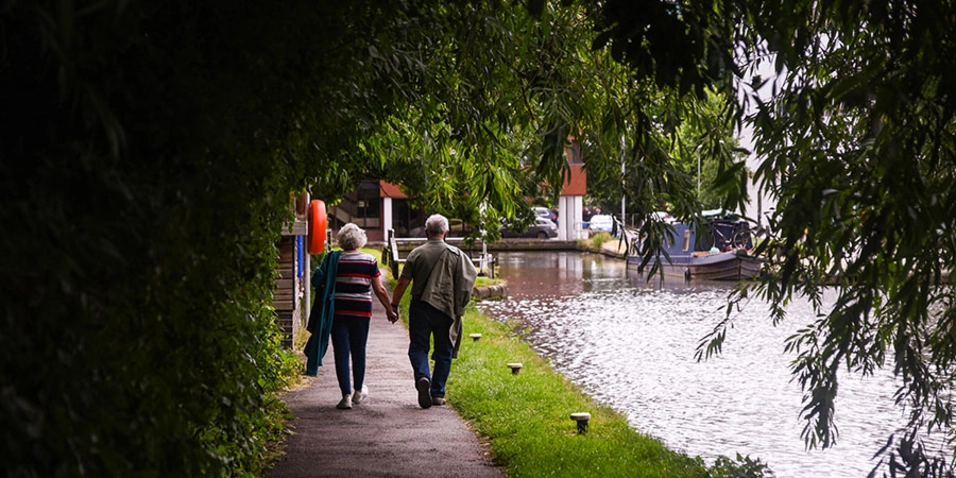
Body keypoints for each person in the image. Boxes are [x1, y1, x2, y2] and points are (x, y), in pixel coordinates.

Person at [306, 223, 398, 410]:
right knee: (359, 350)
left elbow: (317, 280)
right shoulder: (370, 260)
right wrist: (389, 310)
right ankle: (358, 391)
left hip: (338, 312)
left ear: (341, 240)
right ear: (361, 240)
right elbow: (379, 289)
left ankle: (345, 396)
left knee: (341, 352)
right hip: (361, 312)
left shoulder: (333, 259)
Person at [390, 214, 477, 409]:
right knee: (444, 350)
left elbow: (403, 281)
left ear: (427, 231)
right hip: (447, 308)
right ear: (446, 232)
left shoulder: (416, 253)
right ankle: (437, 394)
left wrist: (393, 305)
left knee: (418, 347)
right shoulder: (457, 255)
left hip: (420, 306)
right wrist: (459, 307)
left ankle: (423, 376)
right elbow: (467, 282)